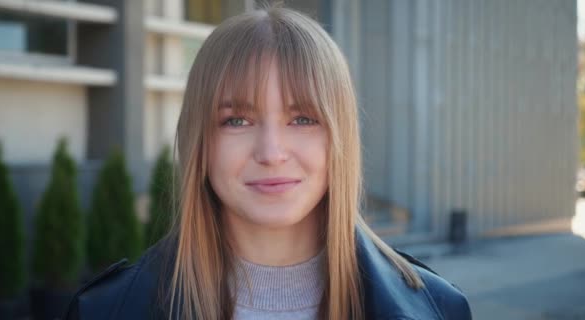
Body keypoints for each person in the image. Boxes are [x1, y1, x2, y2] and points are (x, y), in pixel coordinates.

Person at [64, 6, 471, 320]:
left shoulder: (439, 310)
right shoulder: (104, 310)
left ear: (340, 138)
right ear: (199, 140)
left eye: (303, 119)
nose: (272, 152)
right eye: (237, 120)